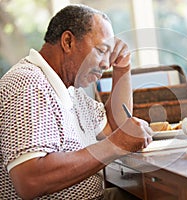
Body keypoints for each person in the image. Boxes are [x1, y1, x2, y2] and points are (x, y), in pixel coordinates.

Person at [0, 4, 152, 200]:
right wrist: (116, 145)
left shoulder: (71, 91)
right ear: (68, 42)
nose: (106, 64)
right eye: (100, 50)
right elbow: (30, 180)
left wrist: (122, 67)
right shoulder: (28, 84)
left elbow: (116, 129)